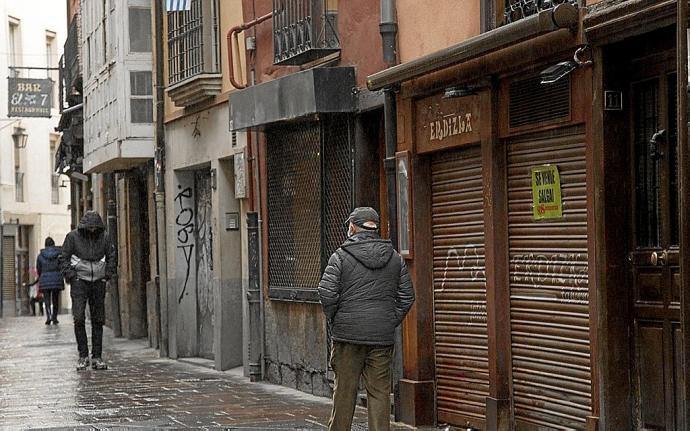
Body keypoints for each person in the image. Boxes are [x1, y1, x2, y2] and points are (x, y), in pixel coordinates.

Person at [318, 207, 415, 431]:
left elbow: (326, 293)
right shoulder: (394, 258)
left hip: (347, 336)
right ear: (374, 227)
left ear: (353, 226)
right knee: (380, 393)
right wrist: (389, 320)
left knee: (344, 392)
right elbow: (407, 296)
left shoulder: (340, 256)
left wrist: (337, 319)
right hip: (381, 338)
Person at [60, 211, 117, 371]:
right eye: (89, 227)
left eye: (95, 227)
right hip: (79, 281)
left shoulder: (104, 237)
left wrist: (107, 274)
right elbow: (63, 257)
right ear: (84, 226)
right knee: (78, 318)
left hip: (98, 281)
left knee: (98, 319)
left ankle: (97, 356)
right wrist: (71, 276)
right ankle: (83, 355)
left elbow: (112, 255)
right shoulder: (72, 237)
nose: (92, 230)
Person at [37, 237, 65, 325]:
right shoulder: (59, 254)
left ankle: (48, 316)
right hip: (56, 279)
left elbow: (39, 269)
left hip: (45, 279)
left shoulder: (40, 256)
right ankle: (54, 317)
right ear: (53, 244)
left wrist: (42, 275)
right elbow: (62, 266)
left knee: (47, 299)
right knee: (55, 299)